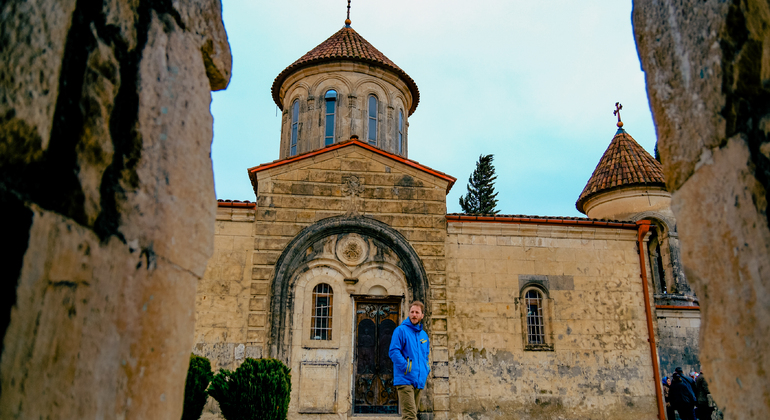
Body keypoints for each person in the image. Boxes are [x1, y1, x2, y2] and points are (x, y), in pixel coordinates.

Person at [389, 301, 430, 420]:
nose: (414, 315)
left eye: (417, 312)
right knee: (410, 416)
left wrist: (426, 369)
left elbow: (425, 355)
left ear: (422, 315)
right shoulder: (400, 330)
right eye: (412, 312)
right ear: (408, 313)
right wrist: (406, 367)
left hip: (419, 380)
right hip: (405, 379)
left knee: (411, 416)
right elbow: (393, 351)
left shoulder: (424, 335)